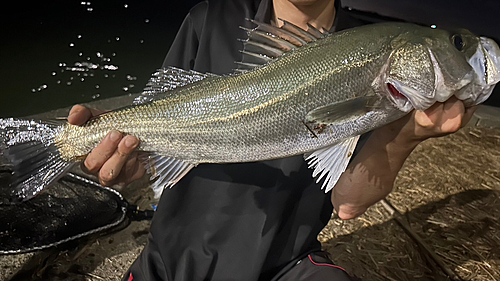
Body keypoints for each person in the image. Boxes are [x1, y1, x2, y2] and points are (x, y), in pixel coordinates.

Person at [68, 0, 477, 279]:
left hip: (284, 265)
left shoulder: (370, 43)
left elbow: (347, 203)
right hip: (173, 260)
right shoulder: (209, 18)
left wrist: (407, 133)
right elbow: (158, 118)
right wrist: (136, 159)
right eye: (456, 46)